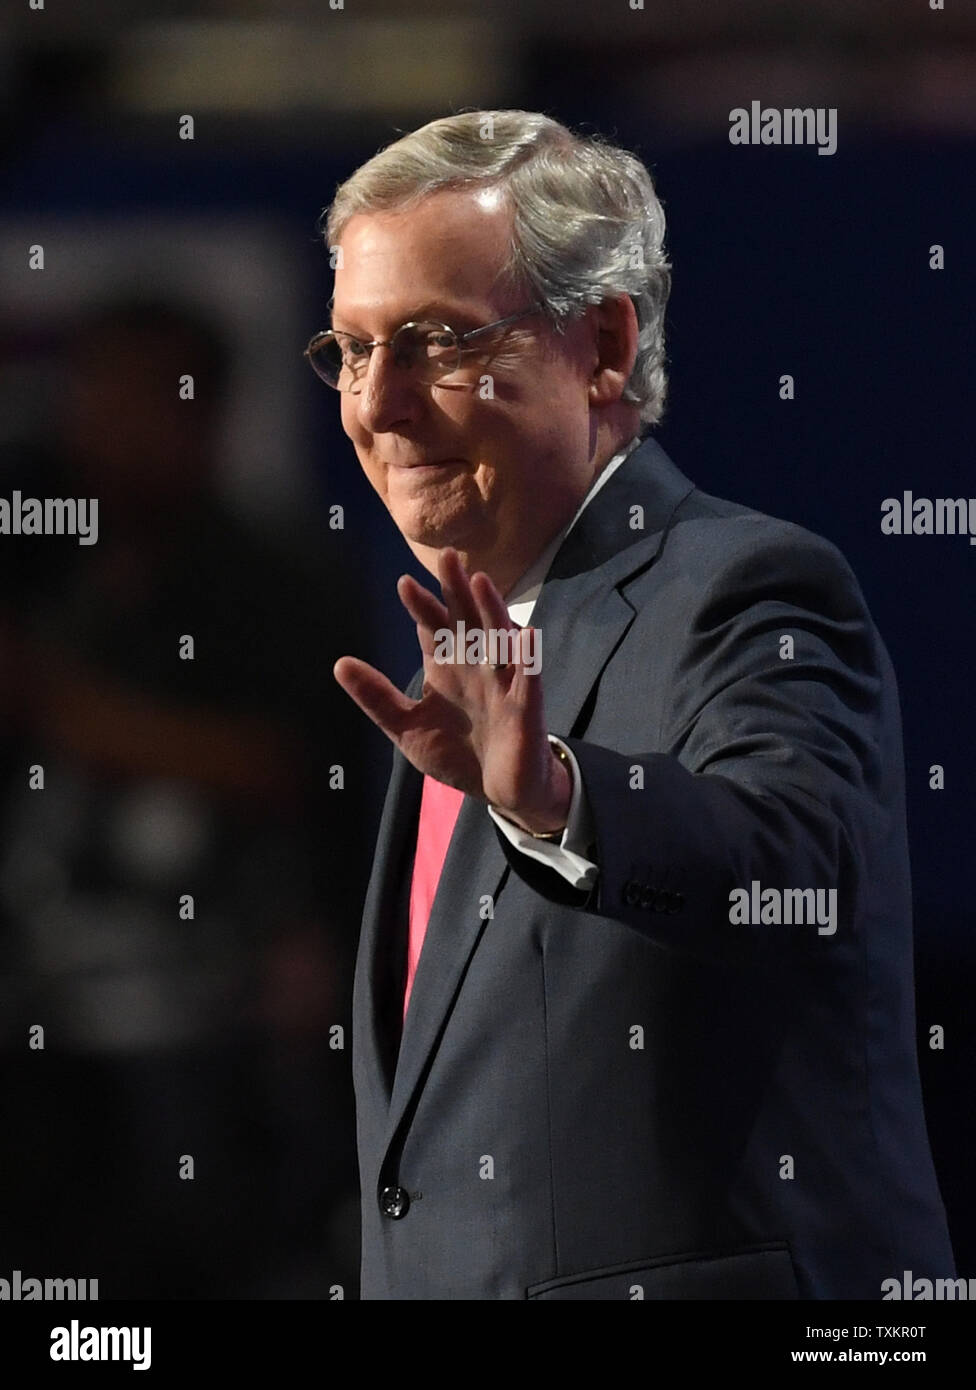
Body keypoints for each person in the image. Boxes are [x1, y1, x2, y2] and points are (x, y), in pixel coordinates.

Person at [311, 109, 955, 1299]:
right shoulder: (459, 664)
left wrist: (556, 799)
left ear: (600, 343)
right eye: (351, 350)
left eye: (433, 342)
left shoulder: (743, 582)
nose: (378, 404)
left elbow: (802, 871)